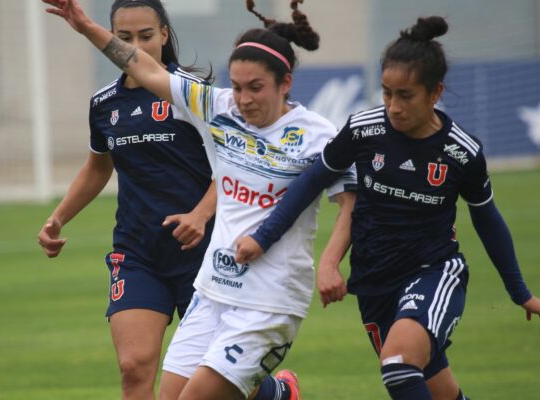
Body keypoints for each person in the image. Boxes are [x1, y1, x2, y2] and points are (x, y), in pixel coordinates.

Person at [236, 16, 540, 400]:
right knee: (435, 390)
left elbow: (487, 219)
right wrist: (264, 237)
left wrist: (518, 291)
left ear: (434, 92)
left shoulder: (462, 152)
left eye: (405, 95)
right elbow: (311, 181)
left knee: (399, 365)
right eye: (387, 93)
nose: (393, 106)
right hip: (375, 282)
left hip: (433, 273)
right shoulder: (363, 130)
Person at [43, 0, 357, 399]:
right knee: (159, 386)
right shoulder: (216, 107)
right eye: (238, 87)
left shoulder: (317, 134)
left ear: (286, 83)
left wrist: (330, 263)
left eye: (255, 88)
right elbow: (139, 67)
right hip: (212, 289)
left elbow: (351, 201)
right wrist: (85, 25)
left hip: (268, 297)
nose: (242, 99)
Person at [36, 1, 218, 399]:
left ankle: (275, 391)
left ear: (165, 35)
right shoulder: (104, 105)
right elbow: (98, 168)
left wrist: (202, 215)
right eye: (125, 37)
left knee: (209, 381)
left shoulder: (192, 94)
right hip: (138, 253)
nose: (137, 46)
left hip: (202, 254)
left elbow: (234, 167)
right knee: (134, 368)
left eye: (147, 36)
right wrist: (58, 218)